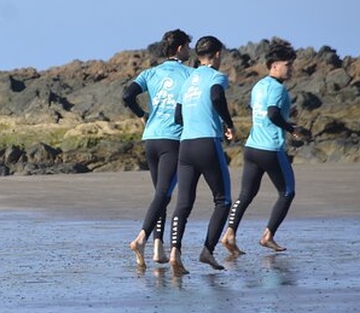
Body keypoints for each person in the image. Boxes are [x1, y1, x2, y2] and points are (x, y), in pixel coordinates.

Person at [221, 38, 310, 254]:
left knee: (246, 194)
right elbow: (271, 114)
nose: (291, 69)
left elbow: (260, 113)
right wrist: (291, 129)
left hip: (252, 149)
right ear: (274, 65)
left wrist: (286, 122)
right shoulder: (278, 89)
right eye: (288, 65)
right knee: (287, 192)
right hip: (271, 149)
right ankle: (268, 236)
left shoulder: (259, 85)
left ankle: (229, 235)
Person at [122, 29, 194, 269]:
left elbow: (127, 95)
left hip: (151, 139)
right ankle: (142, 238)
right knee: (163, 194)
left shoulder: (150, 73)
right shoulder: (189, 74)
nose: (190, 51)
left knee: (161, 194)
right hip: (172, 140)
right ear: (180, 48)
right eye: (187, 47)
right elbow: (187, 108)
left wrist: (142, 114)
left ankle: (157, 248)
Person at [168, 36, 236, 275]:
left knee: (183, 203)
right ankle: (207, 250)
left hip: (186, 146)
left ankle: (174, 252)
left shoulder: (188, 81)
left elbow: (177, 116)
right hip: (208, 143)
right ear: (217, 54)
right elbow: (217, 97)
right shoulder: (217, 77)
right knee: (223, 200)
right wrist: (228, 124)